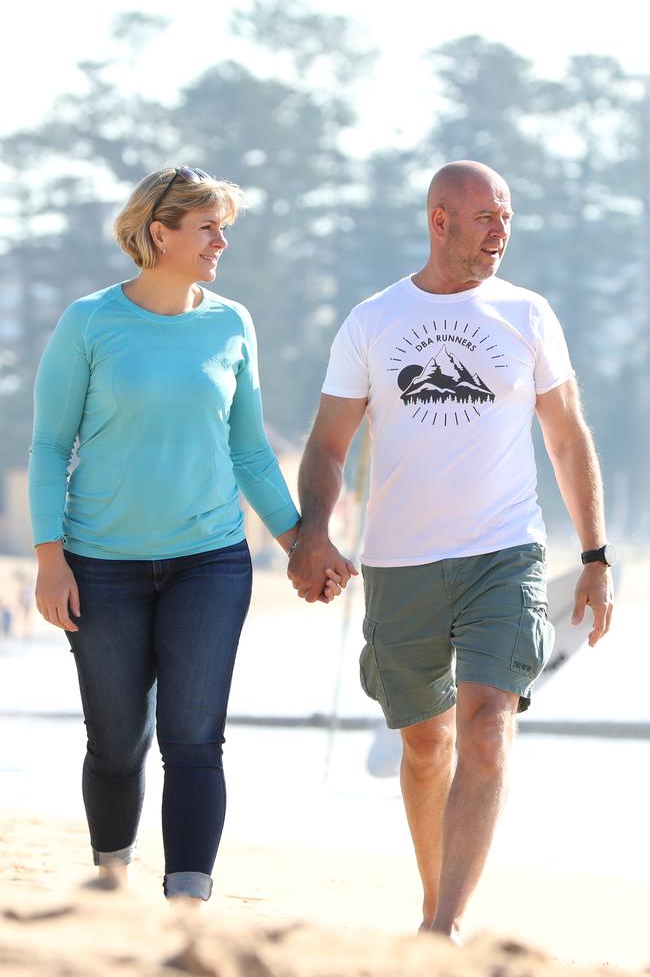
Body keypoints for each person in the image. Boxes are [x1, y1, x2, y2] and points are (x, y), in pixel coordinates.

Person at [288, 160, 614, 942]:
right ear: (440, 221)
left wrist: (597, 556)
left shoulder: (528, 315)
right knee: (426, 743)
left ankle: (446, 925)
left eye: (507, 217)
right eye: (485, 218)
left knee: (488, 720)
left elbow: (567, 439)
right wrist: (314, 533)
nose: (501, 231)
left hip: (505, 552)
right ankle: (434, 898)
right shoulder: (373, 320)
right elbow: (329, 446)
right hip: (398, 562)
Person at [28, 165, 345, 905]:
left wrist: (302, 541)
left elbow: (249, 451)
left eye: (223, 226)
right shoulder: (90, 321)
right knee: (115, 743)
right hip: (100, 564)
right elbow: (49, 446)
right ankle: (110, 883)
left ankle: (187, 909)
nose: (221, 242)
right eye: (208, 227)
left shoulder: (231, 323)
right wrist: (50, 558)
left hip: (209, 561)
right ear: (158, 232)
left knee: (195, 740)